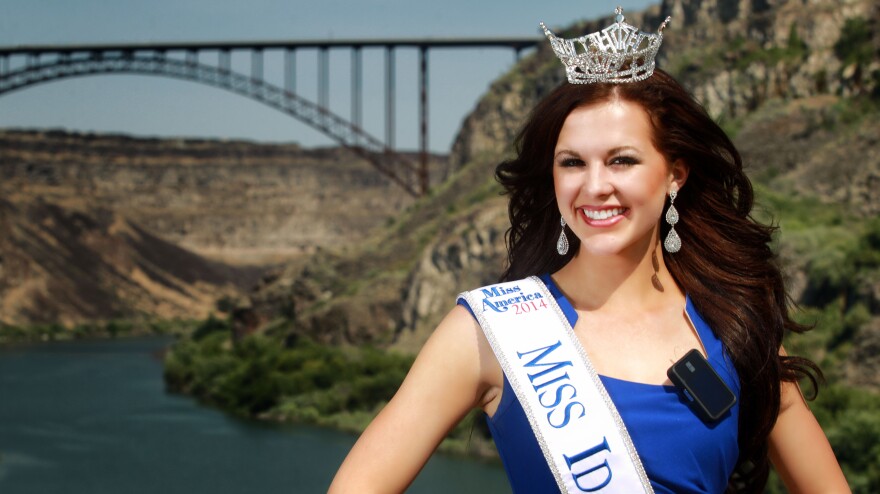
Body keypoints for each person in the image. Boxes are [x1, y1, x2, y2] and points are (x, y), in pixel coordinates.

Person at [329, 7, 850, 494]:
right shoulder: (487, 333)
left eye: (621, 160)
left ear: (675, 174)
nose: (594, 186)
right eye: (572, 162)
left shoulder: (737, 323)